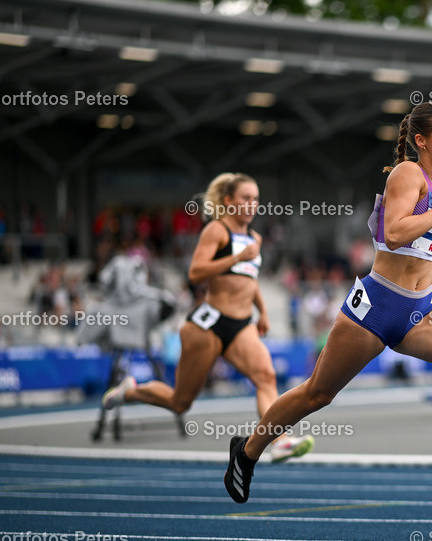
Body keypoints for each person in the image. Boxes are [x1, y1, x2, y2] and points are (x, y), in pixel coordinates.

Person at [223, 102, 432, 511]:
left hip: (422, 307)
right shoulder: (409, 173)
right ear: (421, 141)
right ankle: (247, 450)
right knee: (318, 394)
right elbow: (395, 232)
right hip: (376, 306)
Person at [102, 173, 313, 463]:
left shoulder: (255, 238)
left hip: (241, 326)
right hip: (209, 323)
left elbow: (250, 280)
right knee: (180, 402)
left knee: (266, 376)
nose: (252, 205)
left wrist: (262, 311)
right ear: (229, 201)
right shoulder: (217, 231)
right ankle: (131, 391)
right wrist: (236, 258)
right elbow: (196, 272)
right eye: (245, 198)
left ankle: (279, 441)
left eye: (256, 199)